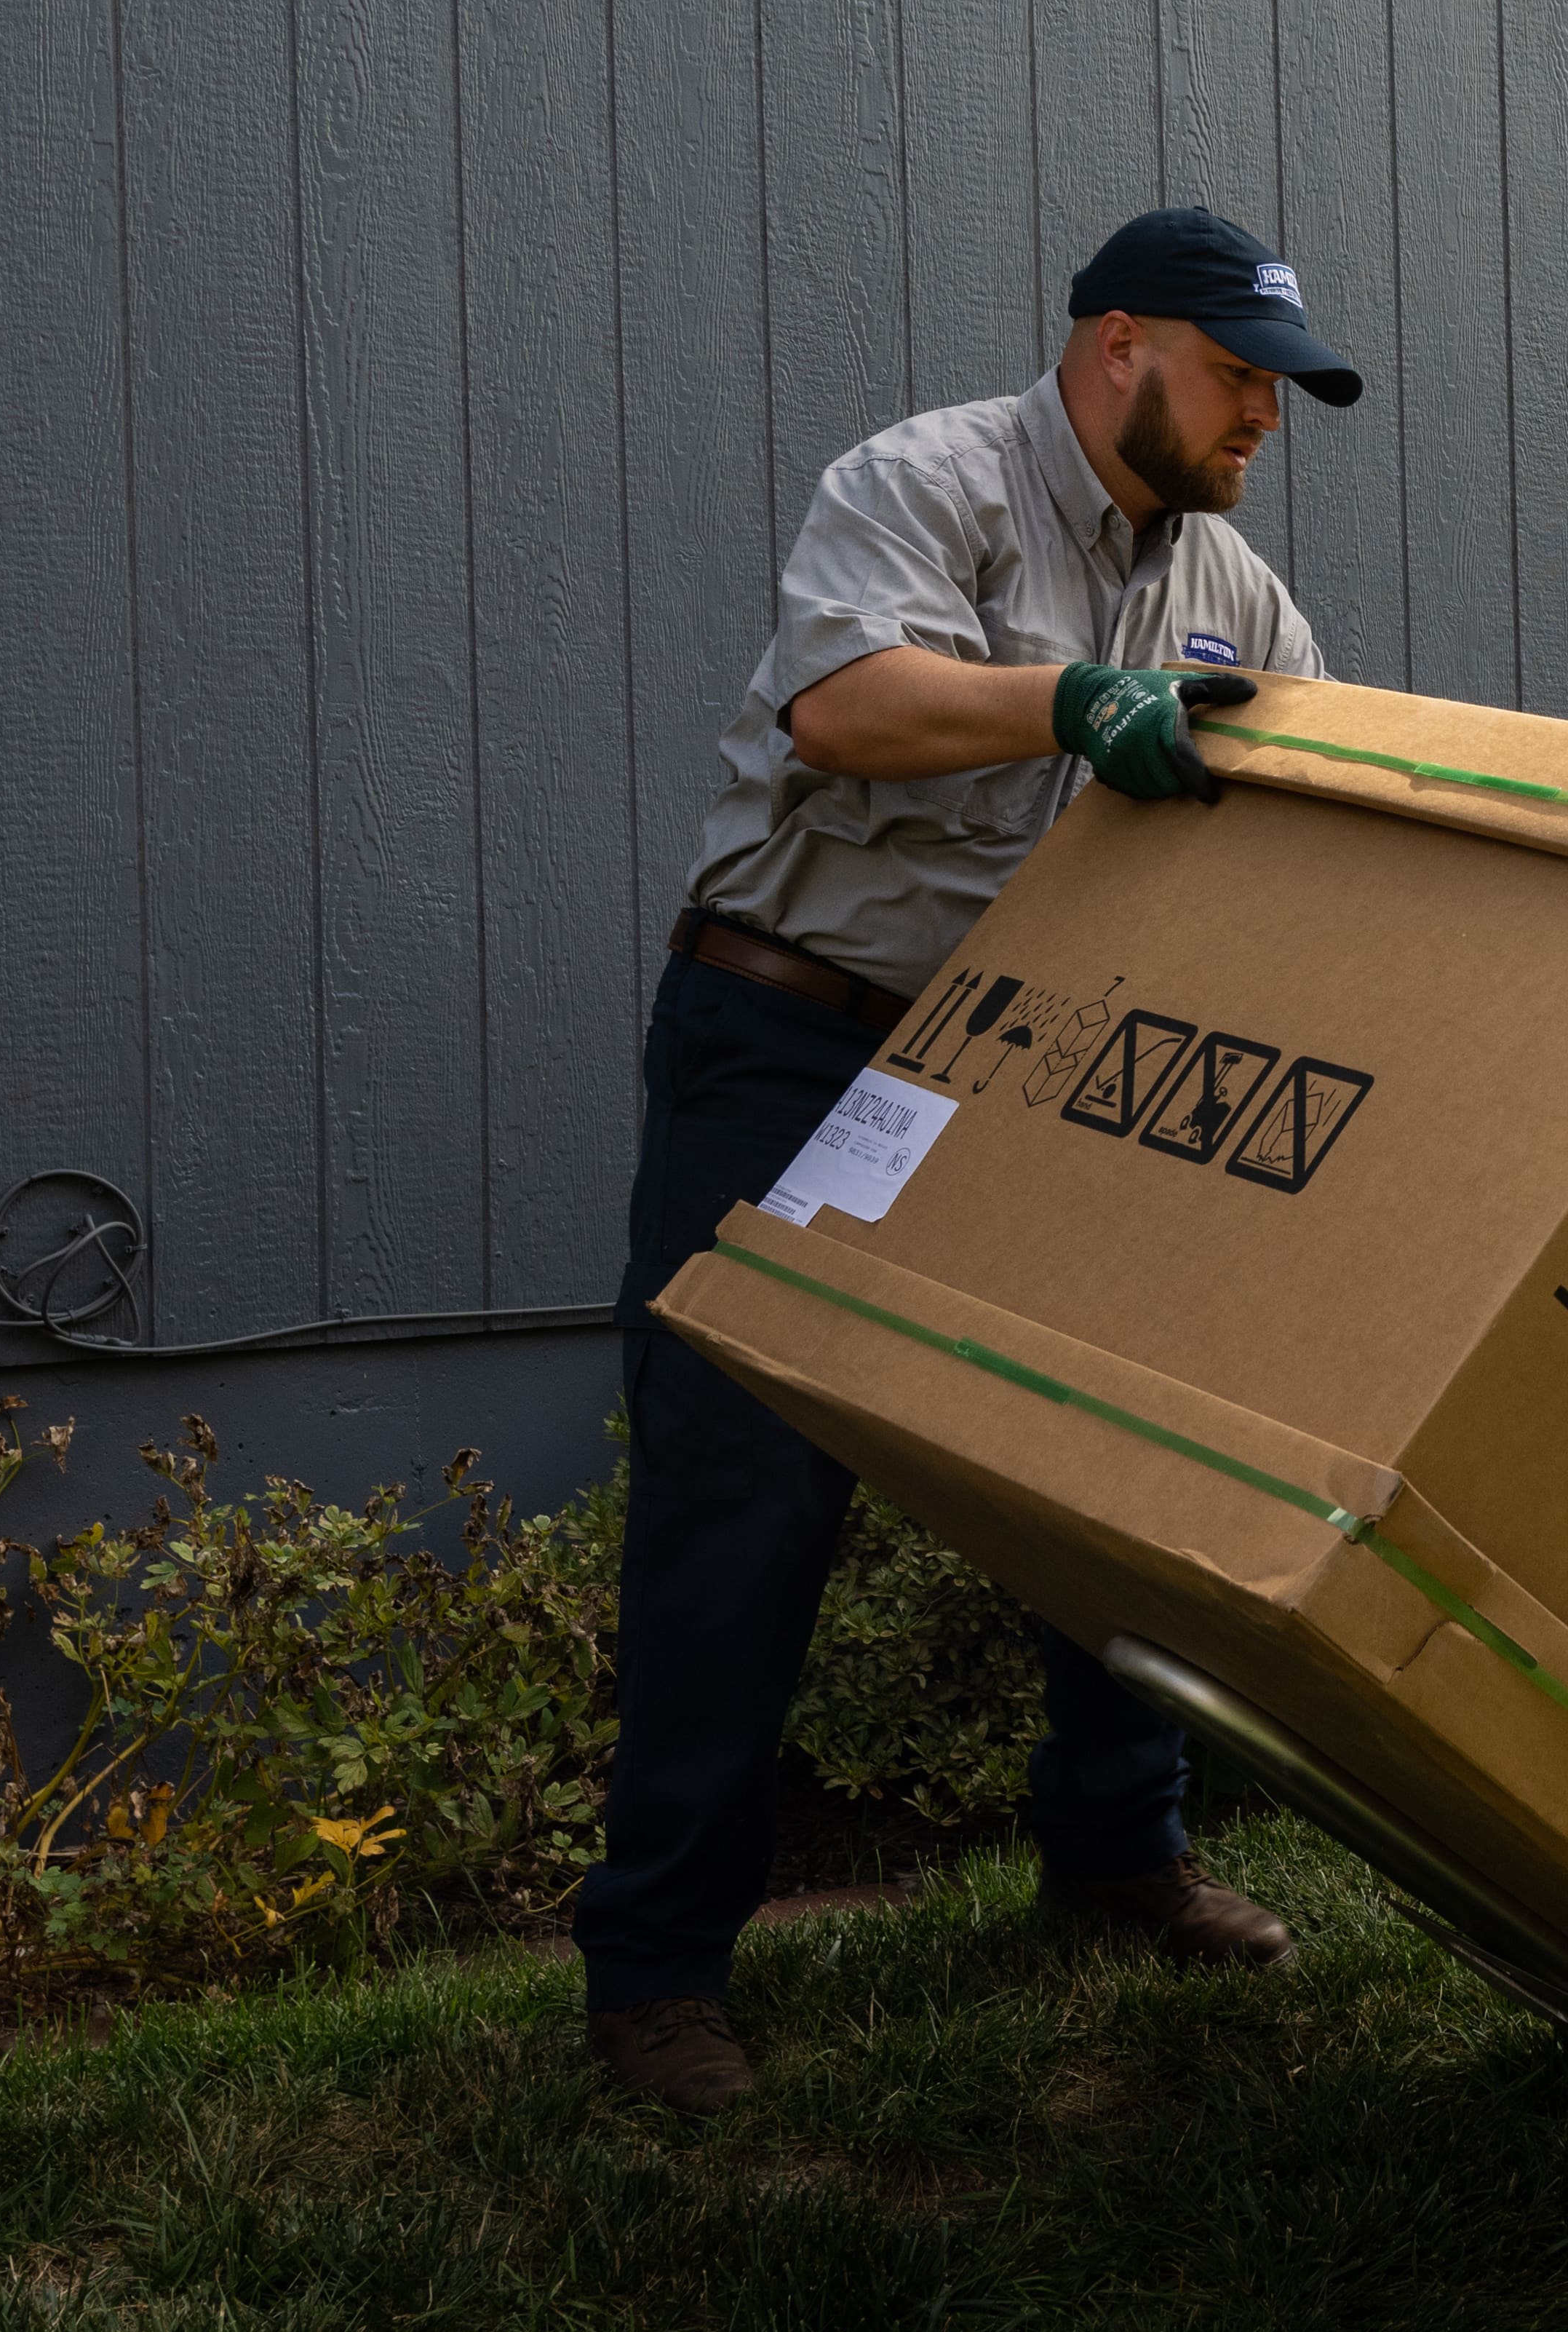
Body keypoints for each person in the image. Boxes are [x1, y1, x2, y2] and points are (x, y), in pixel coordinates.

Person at [579, 207, 1361, 2112]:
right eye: (1238, 371)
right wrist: (1078, 706)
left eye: (1281, 385)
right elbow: (844, 706)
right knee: (744, 1493)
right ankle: (661, 1974)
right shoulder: (927, 484)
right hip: (798, 1039)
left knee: (1117, 1457)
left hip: (1037, 1072)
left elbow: (1313, 790)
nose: (1264, 414)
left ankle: (1115, 1857)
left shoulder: (1234, 588)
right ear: (1116, 348)